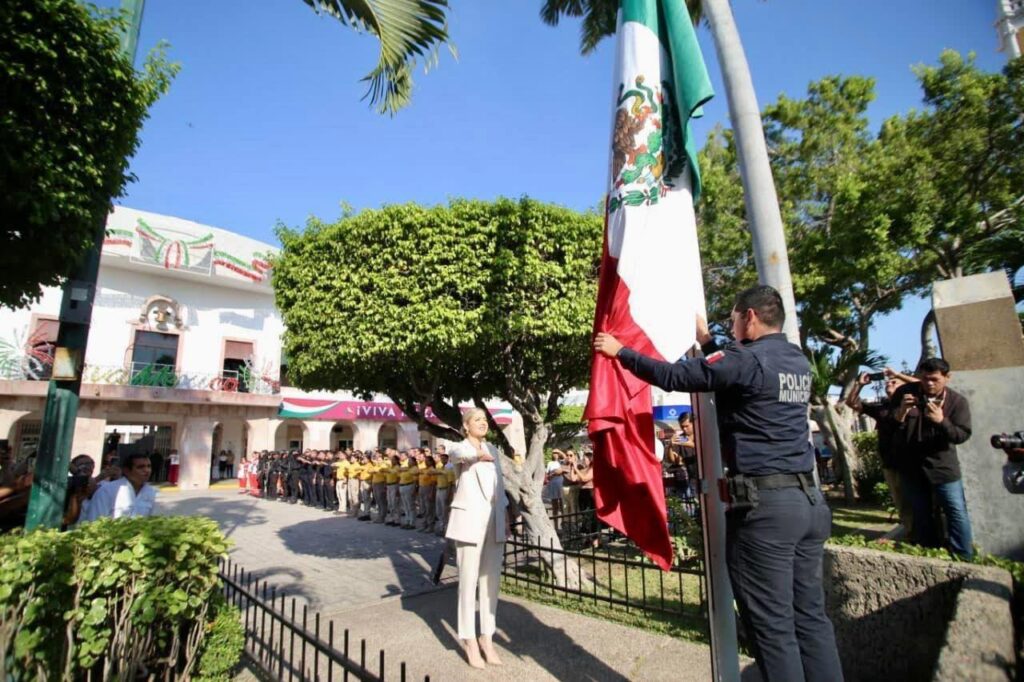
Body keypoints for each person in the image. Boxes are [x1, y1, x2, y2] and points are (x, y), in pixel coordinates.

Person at [594, 284, 842, 682]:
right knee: (811, 619)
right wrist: (708, 340)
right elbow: (735, 374)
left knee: (773, 629)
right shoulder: (795, 360)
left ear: (750, 318)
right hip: (807, 503)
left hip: (767, 511)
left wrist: (620, 351)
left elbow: (676, 376)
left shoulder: (748, 359)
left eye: (734, 318)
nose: (732, 324)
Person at [445, 408, 509, 669]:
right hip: (468, 521)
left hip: (493, 521)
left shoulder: (493, 450)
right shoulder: (459, 448)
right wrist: (475, 454)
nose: (483, 423)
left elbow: (500, 484)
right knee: (468, 582)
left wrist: (504, 512)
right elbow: (455, 455)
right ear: (466, 425)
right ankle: (469, 640)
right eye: (477, 420)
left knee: (490, 582)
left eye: (485, 420)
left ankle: (487, 637)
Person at [891, 357, 973, 559]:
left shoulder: (957, 402)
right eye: (925, 378)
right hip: (912, 467)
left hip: (942, 467)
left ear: (947, 378)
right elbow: (890, 425)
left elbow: (961, 435)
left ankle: (964, 556)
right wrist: (901, 412)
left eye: (934, 379)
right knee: (921, 513)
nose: (929, 383)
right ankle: (929, 553)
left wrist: (941, 421)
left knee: (955, 511)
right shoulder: (905, 393)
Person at [846, 369, 913, 536]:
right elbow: (852, 403)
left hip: (913, 462)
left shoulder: (915, 403)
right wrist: (859, 385)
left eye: (894, 382)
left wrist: (898, 374)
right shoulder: (882, 408)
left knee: (918, 501)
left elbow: (920, 384)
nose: (889, 384)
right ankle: (911, 534)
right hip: (890, 462)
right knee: (901, 504)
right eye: (888, 382)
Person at [82, 453, 157, 521]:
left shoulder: (151, 492)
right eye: (140, 467)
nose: (147, 470)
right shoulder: (108, 491)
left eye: (149, 466)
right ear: (126, 471)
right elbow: (94, 521)